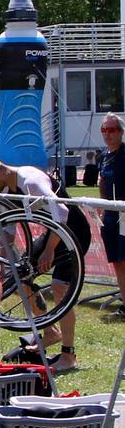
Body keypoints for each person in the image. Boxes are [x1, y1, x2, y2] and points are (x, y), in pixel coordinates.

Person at [0, 152, 88, 372]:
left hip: (72, 230)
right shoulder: (3, 189)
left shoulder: (30, 181)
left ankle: (68, 354)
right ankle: (51, 331)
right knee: (20, 274)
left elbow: (61, 212)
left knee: (60, 288)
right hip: (53, 231)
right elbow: (6, 231)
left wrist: (50, 250)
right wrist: (2, 264)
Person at [97, 113, 125, 319]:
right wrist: (101, 205)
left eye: (111, 130)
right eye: (104, 130)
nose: (107, 134)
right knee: (116, 261)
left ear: (121, 132)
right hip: (109, 216)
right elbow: (101, 181)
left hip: (124, 214)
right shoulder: (103, 156)